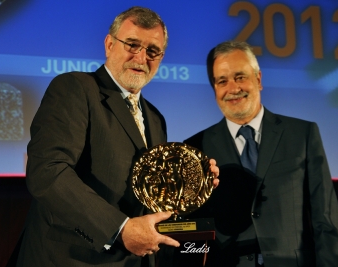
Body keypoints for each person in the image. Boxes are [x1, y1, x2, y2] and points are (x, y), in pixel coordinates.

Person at [16, 6, 218, 267]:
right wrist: (120, 228)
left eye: (152, 51)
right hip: (73, 259)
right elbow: (47, 171)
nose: (141, 57)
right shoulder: (75, 88)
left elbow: (151, 197)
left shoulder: (155, 118)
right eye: (132, 45)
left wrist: (192, 184)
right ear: (109, 44)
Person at [179, 41, 338, 266]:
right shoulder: (194, 149)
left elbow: (325, 220)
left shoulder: (302, 134)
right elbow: (192, 234)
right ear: (214, 89)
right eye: (222, 81)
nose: (232, 88)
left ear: (258, 79)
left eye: (240, 77)